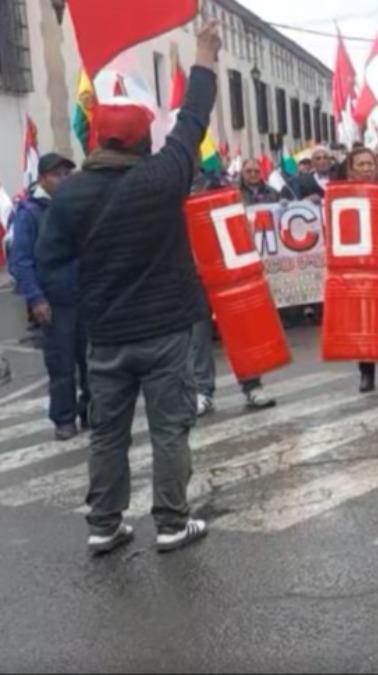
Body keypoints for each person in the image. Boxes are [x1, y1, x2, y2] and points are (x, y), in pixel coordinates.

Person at [36, 21, 224, 556]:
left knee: (108, 433)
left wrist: (92, 295)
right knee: (170, 428)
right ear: (145, 137)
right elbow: (194, 117)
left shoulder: (69, 196)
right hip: (165, 331)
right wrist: (205, 54)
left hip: (106, 335)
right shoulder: (165, 176)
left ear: (95, 138)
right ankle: (170, 522)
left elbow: (51, 263)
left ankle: (104, 524)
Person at [190, 167, 278, 417]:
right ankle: (202, 391)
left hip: (227, 268)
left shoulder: (216, 178)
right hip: (192, 273)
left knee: (241, 331)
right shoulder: (168, 179)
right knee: (198, 337)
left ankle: (252, 385)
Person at [10, 153, 86, 439]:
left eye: (68, 174)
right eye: (57, 175)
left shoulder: (72, 207)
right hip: (54, 302)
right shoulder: (30, 213)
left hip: (83, 296)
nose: (64, 180)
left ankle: (90, 410)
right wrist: (35, 298)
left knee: (91, 361)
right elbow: (21, 261)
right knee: (61, 364)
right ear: (42, 179)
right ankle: (64, 419)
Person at [340, 146, 378, 393]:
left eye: (370, 164)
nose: (366, 169)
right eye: (361, 165)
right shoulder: (342, 195)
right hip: (356, 261)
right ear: (351, 170)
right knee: (361, 317)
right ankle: (366, 372)